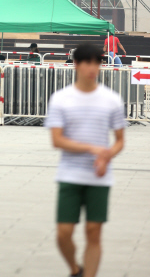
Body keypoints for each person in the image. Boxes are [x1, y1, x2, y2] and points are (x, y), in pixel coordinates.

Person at [46, 42, 126, 277]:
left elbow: (120, 140)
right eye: (87, 62)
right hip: (69, 174)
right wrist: (93, 149)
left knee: (94, 231)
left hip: (99, 177)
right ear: (76, 65)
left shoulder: (111, 99)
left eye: (97, 62)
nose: (93, 68)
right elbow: (57, 140)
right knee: (63, 233)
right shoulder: (61, 99)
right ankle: (74, 268)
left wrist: (106, 156)